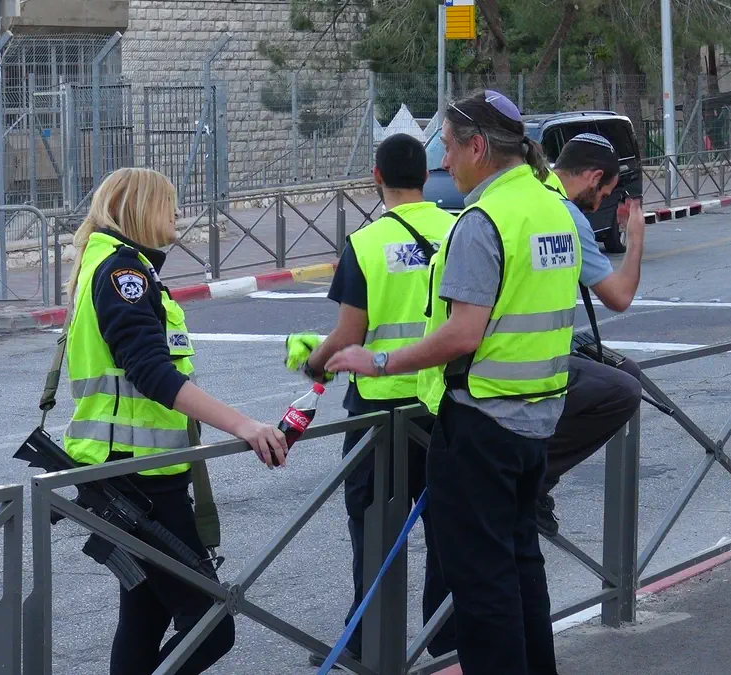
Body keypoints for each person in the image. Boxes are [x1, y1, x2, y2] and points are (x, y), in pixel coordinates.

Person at [327, 89, 578, 675]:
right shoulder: (550, 208)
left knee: (482, 589)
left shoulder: (484, 219)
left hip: (481, 423)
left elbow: (463, 333)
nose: (444, 162)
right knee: (521, 569)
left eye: (448, 147)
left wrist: (382, 362)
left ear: (479, 147)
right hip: (535, 417)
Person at [61, 167, 288, 675]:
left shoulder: (114, 266)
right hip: (139, 480)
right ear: (139, 209)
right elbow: (150, 373)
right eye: (169, 204)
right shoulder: (125, 274)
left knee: (144, 617)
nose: (178, 214)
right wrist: (244, 425)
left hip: (130, 471)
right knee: (210, 623)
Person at [283, 133, 456, 666]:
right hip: (441, 407)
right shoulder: (458, 230)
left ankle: (367, 641)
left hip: (379, 413)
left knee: (373, 529)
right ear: (426, 177)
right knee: (446, 525)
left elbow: (348, 337)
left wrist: (315, 361)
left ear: (375, 178)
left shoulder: (364, 244)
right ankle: (446, 639)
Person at [535, 133, 647, 536]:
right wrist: (635, 241)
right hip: (527, 364)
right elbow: (618, 297)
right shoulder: (566, 214)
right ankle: (533, 477)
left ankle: (533, 476)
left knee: (625, 371)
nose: (600, 203)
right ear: (594, 177)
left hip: (509, 351)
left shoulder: (533, 191)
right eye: (604, 192)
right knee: (623, 390)